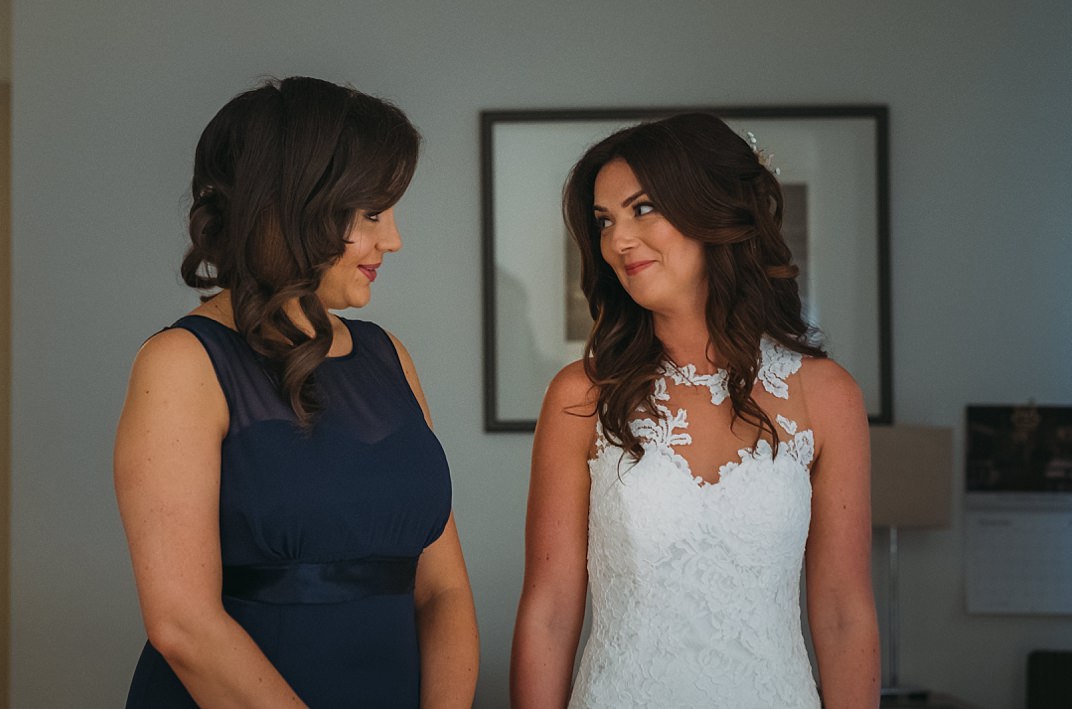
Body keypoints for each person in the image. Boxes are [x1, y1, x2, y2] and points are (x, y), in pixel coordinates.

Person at [114, 76, 479, 708]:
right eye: (370, 214)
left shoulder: (387, 357)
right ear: (293, 207)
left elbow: (441, 591)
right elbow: (182, 625)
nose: (392, 239)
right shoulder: (182, 363)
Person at [510, 112, 879, 708]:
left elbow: (842, 613)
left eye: (642, 208)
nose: (618, 240)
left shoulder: (827, 395)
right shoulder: (581, 396)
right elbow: (549, 612)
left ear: (714, 212)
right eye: (604, 221)